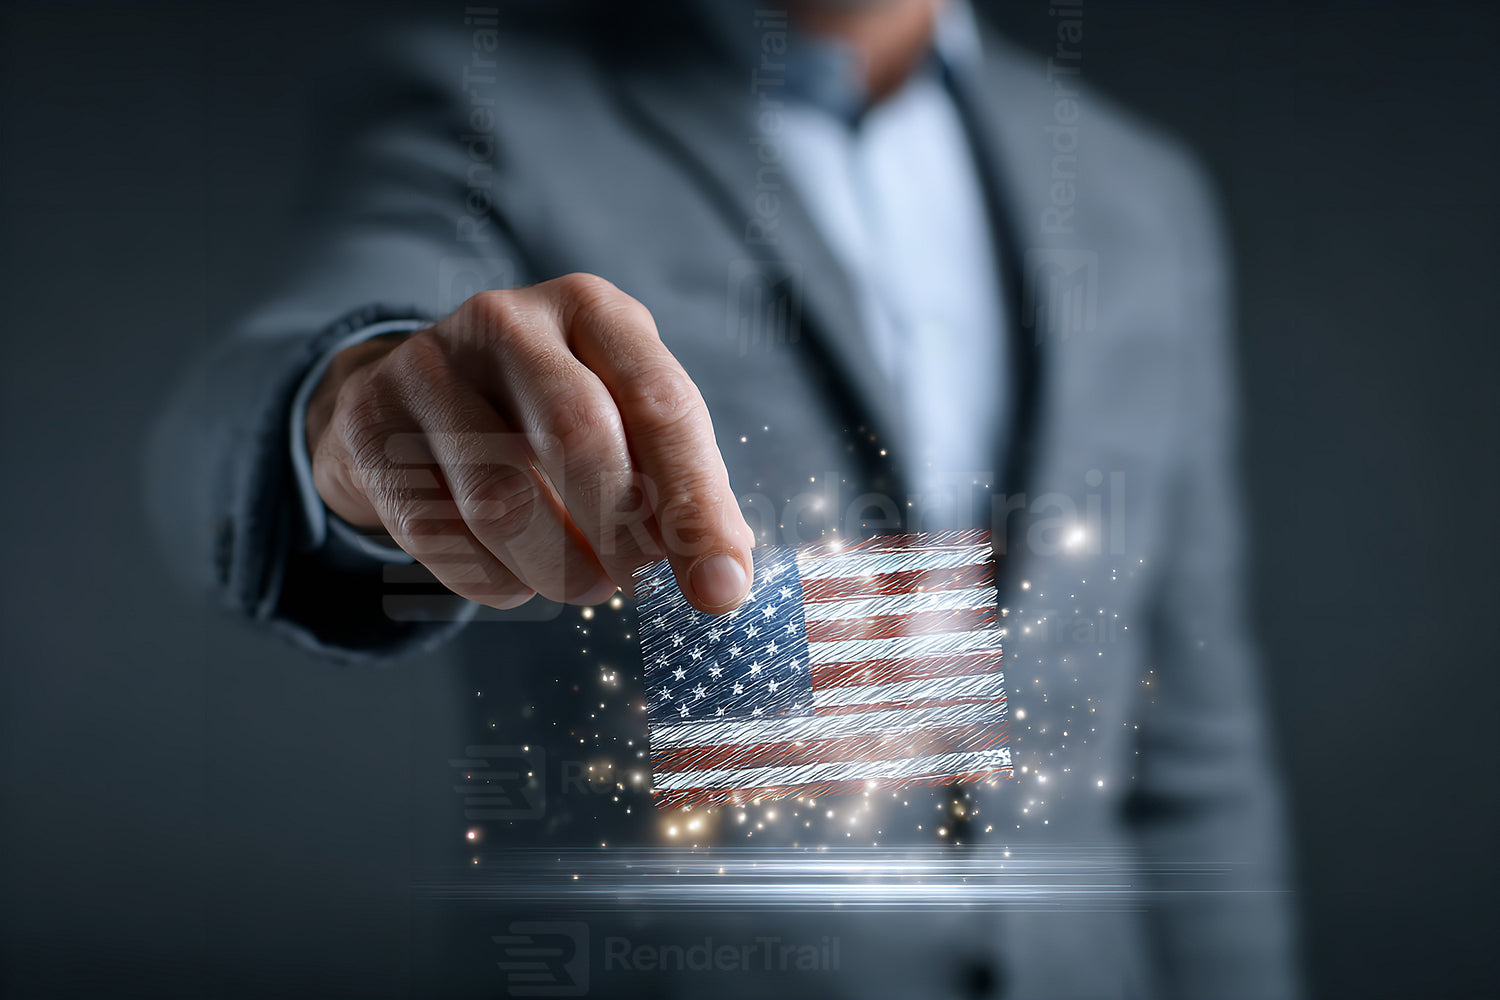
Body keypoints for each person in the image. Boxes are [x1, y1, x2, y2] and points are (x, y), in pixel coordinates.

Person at [149, 1, 1301, 996]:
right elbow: (285, 375)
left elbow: (1193, 756)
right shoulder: (488, 104)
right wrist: (348, 409)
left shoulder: (1145, 198)